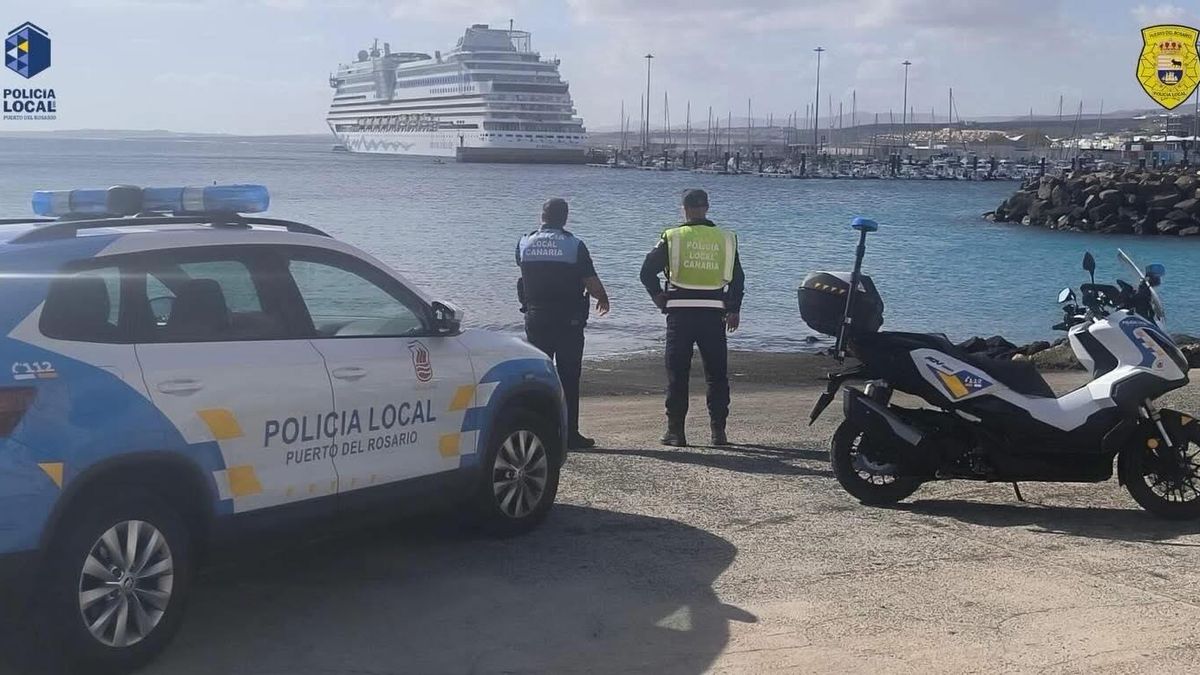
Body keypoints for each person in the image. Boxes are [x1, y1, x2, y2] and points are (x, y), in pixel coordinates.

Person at [639, 189, 744, 447]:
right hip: (714, 315)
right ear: (707, 207)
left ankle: (676, 432)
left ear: (684, 209)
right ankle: (718, 432)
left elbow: (646, 271)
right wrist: (733, 309)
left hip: (680, 314)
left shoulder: (673, 237)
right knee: (717, 375)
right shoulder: (726, 238)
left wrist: (657, 296)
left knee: (678, 374)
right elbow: (738, 278)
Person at [517, 198, 610, 449]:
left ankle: (538, 431)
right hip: (568, 321)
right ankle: (570, 434)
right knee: (569, 376)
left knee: (538, 376)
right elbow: (590, 280)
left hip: (536, 318)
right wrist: (603, 297)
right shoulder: (574, 245)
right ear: (565, 218)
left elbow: (525, 274)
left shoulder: (524, 243)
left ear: (542, 216)